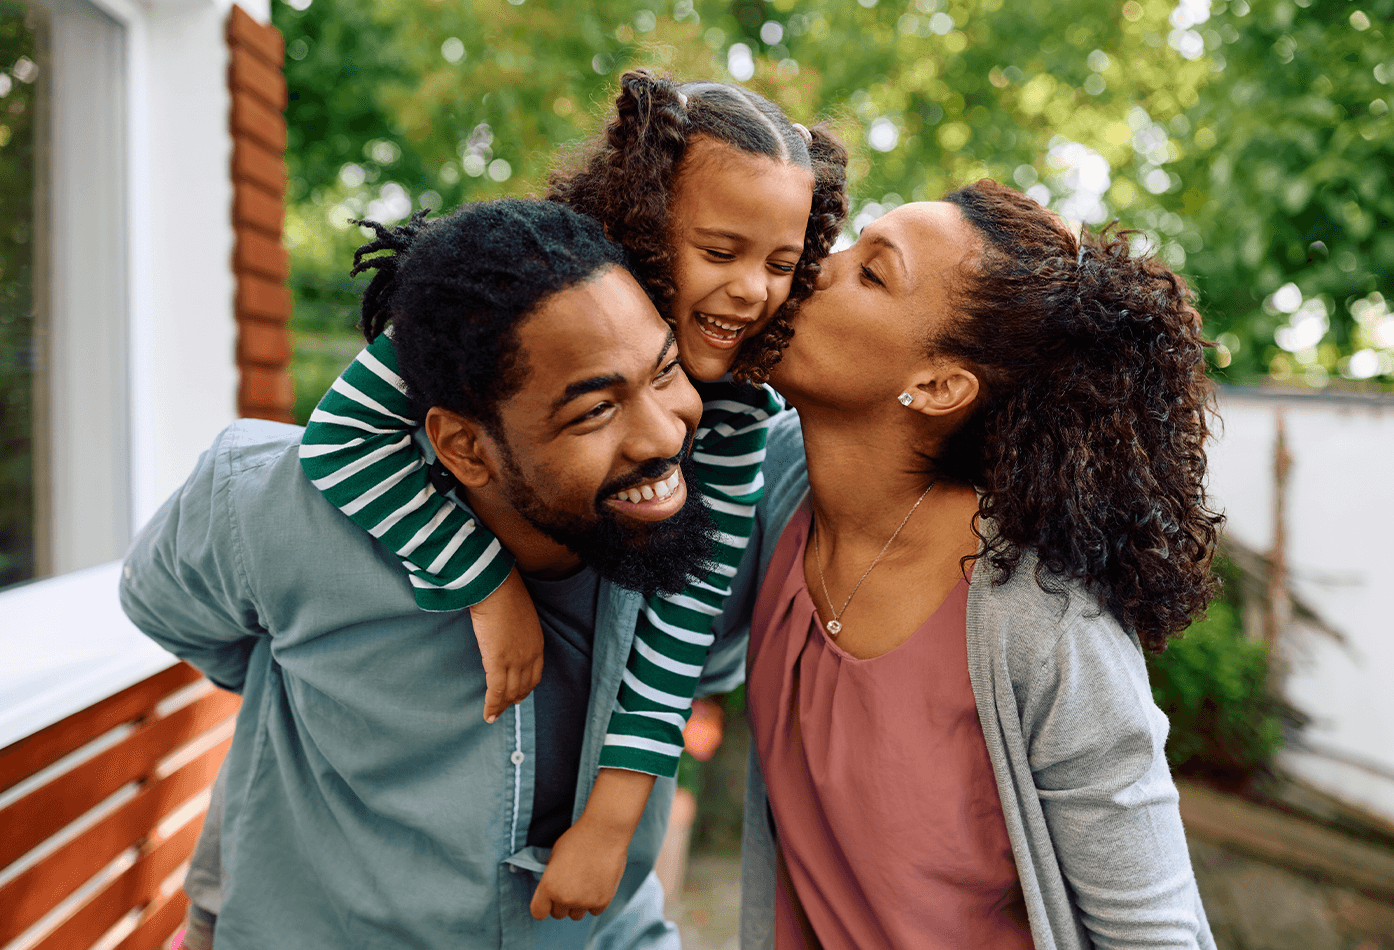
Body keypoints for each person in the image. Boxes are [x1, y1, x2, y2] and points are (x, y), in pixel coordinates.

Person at [119, 199, 790, 949]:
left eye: (665, 371)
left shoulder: (705, 512)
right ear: (466, 448)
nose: (665, 433)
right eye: (595, 411)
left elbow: (712, 664)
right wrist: (321, 688)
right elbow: (173, 614)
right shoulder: (268, 506)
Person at [295, 69, 847, 921]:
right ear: (644, 222)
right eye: (720, 252)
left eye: (782, 262)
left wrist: (610, 822)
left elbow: (682, 615)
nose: (752, 291)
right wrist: (488, 586)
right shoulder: (515, 296)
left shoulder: (734, 400)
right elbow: (340, 436)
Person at [737, 180, 1223, 949]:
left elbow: (1155, 931)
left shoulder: (1044, 617)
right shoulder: (770, 488)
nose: (813, 267)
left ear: (937, 385)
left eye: (871, 272)